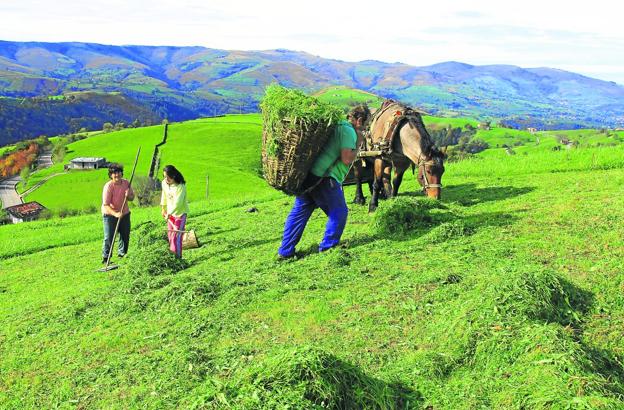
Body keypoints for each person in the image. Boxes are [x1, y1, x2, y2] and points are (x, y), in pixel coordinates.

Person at [278, 105, 371, 259]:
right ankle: (328, 247)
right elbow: (347, 159)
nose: (365, 128)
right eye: (366, 124)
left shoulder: (336, 125)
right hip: (326, 178)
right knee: (339, 212)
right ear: (360, 120)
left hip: (310, 176)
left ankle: (285, 251)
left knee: (300, 212)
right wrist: (359, 143)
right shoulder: (348, 131)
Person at [101, 163, 134, 263]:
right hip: (109, 214)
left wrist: (128, 195)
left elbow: (132, 198)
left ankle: (122, 255)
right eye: (114, 173)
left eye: (119, 172)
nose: (117, 175)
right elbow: (106, 204)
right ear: (111, 175)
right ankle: (106, 257)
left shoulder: (126, 183)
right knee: (109, 236)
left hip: (124, 213)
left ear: (122, 173)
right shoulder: (108, 186)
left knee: (125, 235)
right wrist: (115, 214)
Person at [161, 165, 190, 258]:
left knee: (176, 236)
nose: (166, 179)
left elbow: (178, 203)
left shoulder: (180, 186)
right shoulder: (164, 183)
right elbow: (164, 196)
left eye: (168, 177)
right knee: (170, 236)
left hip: (180, 214)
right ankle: (173, 256)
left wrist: (169, 213)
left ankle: (178, 258)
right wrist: (163, 208)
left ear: (173, 176)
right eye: (164, 176)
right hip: (170, 215)